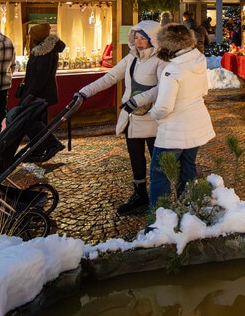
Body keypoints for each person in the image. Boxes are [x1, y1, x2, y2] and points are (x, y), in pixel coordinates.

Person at [76, 20, 161, 216]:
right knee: (136, 158)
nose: (139, 43)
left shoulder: (160, 60)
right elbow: (110, 77)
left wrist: (138, 100)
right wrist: (84, 92)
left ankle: (160, 198)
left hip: (152, 119)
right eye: (137, 38)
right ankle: (140, 194)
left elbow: (163, 87)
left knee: (158, 160)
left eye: (144, 39)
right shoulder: (131, 59)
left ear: (154, 40)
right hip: (132, 118)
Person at [138, 24, 215, 210]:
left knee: (160, 176)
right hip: (196, 125)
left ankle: (158, 221)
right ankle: (188, 212)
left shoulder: (173, 69)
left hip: (174, 132)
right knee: (187, 171)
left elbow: (164, 106)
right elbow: (204, 89)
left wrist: (153, 114)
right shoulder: (198, 59)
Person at [19, 23, 62, 110]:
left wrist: (30, 94)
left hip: (39, 93)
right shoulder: (46, 50)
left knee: (37, 119)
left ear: (36, 37)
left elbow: (41, 76)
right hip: (42, 92)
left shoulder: (43, 53)